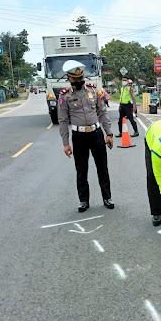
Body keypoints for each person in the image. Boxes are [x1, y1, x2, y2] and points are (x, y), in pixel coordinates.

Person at [58, 60, 115, 213]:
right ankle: (83, 200)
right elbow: (63, 121)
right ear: (69, 79)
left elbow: (102, 112)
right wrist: (66, 143)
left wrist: (108, 133)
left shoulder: (93, 91)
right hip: (79, 137)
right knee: (81, 170)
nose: (79, 81)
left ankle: (107, 197)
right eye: (75, 79)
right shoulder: (64, 96)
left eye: (81, 78)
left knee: (102, 167)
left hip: (96, 134)